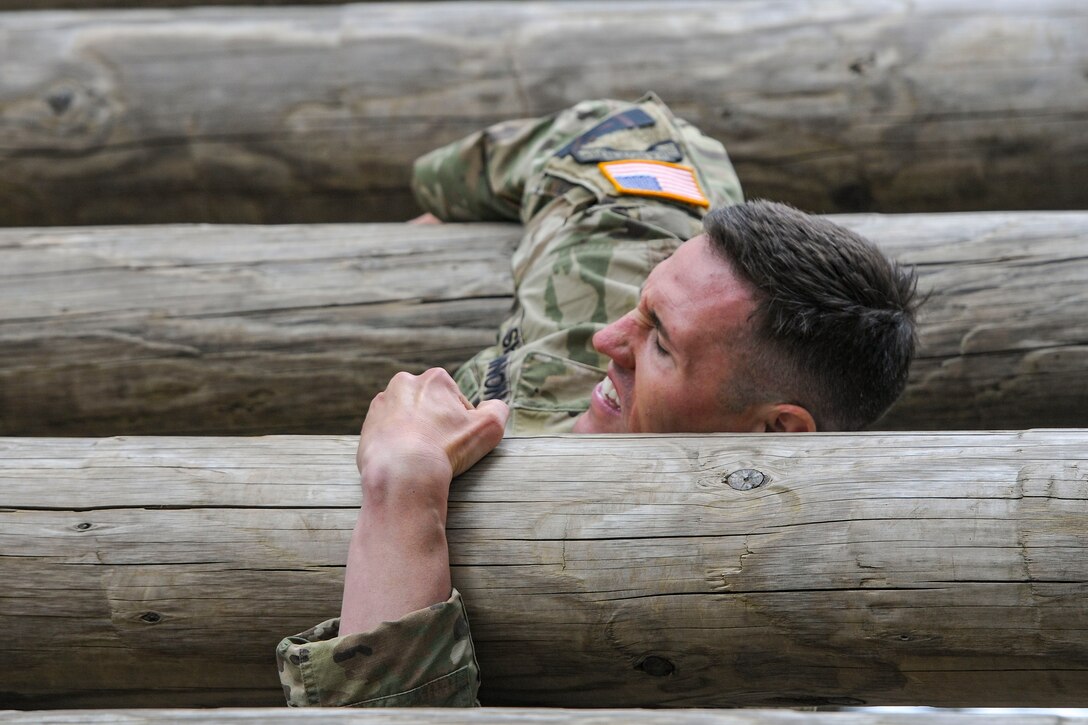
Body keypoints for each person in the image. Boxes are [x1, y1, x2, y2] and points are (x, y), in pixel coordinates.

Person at [275, 94, 919, 707]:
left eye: (662, 345)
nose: (607, 338)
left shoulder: (738, 644)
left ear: (777, 434)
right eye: (644, 303)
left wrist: (402, 494)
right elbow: (626, 135)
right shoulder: (647, 284)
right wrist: (442, 199)